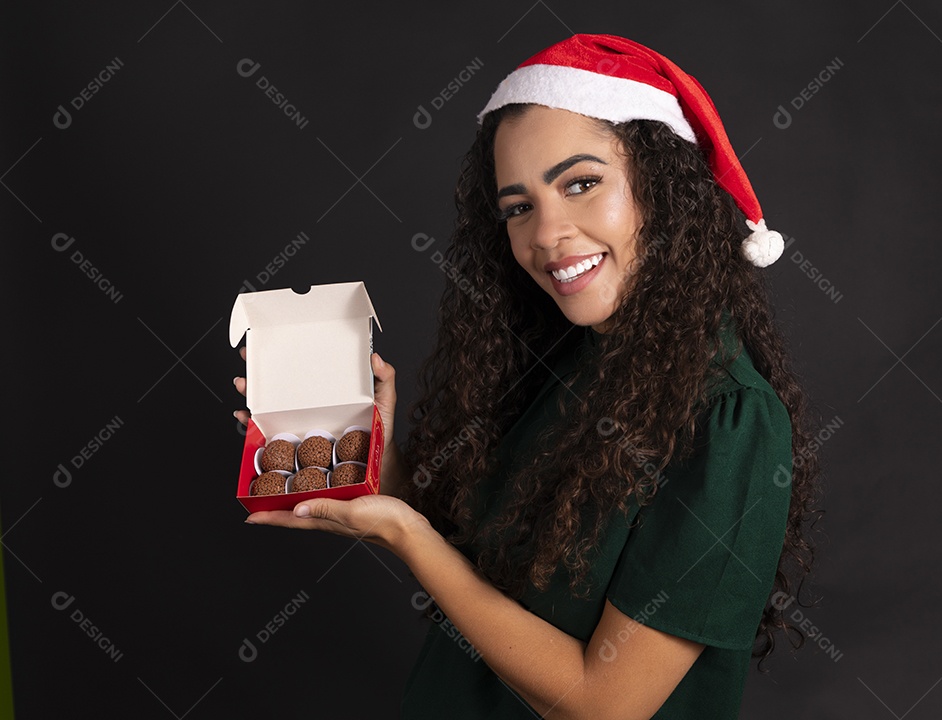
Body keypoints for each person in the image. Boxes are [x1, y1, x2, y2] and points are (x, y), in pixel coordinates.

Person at [237, 33, 820, 719]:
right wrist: (385, 476)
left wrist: (407, 537)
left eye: (581, 183)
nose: (546, 233)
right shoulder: (570, 361)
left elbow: (605, 704)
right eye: (519, 207)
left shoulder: (731, 420)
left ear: (666, 191)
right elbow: (497, 573)